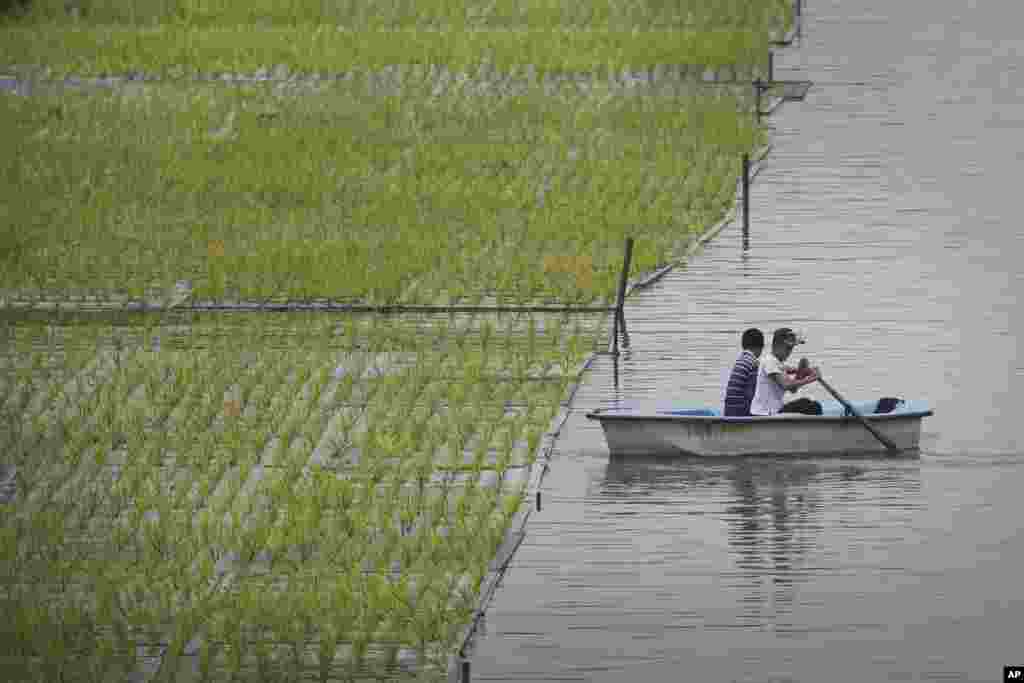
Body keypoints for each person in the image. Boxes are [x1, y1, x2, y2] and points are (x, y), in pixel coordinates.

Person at [750, 328, 822, 416]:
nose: (789, 352)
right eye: (788, 348)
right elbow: (787, 385)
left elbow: (793, 389)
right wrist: (812, 378)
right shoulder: (769, 361)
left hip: (774, 410)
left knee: (808, 403)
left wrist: (803, 371)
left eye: (791, 349)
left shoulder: (777, 363)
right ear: (777, 345)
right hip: (764, 413)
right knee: (813, 407)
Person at [723, 328, 764, 416]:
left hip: (728, 411)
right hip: (741, 413)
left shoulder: (741, 360)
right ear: (761, 347)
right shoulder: (754, 363)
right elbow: (751, 395)